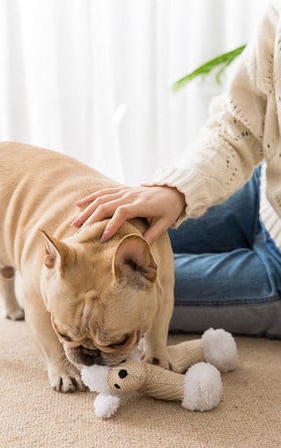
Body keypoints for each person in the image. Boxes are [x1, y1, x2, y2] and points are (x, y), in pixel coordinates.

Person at [72, 0, 281, 338]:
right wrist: (175, 191)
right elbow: (237, 127)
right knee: (93, 253)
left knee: (111, 299)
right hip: (261, 195)